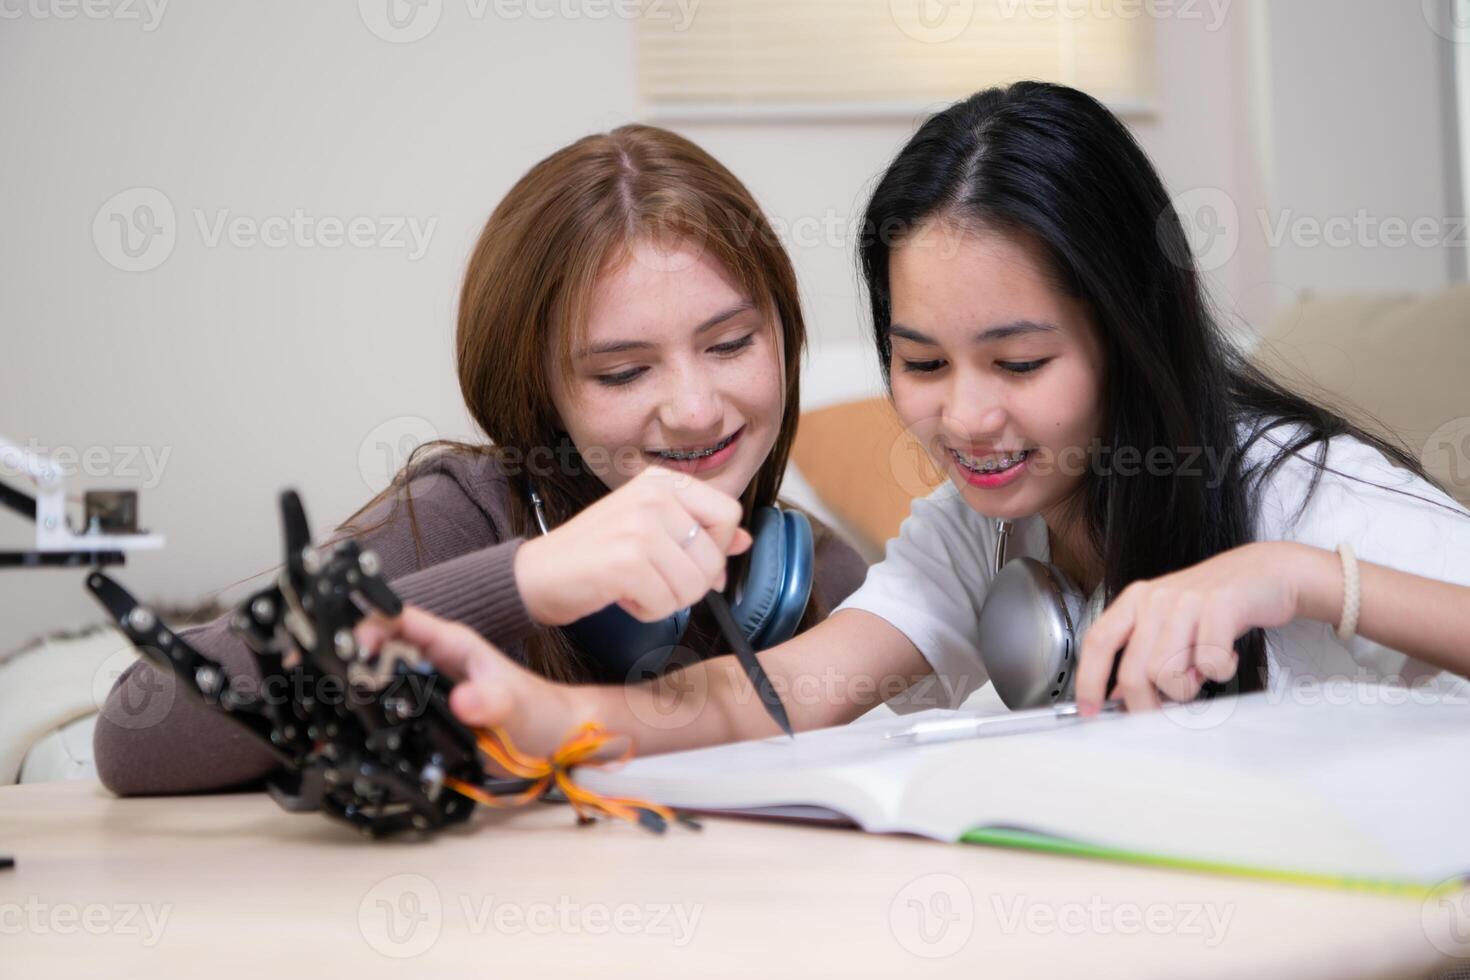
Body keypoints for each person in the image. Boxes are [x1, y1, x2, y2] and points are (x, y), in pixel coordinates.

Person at [356, 81, 1470, 760]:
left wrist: (1294, 577)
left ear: (1126, 334)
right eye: (921, 361)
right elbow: (770, 699)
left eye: (1021, 360)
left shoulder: (1289, 482)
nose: (967, 415)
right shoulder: (967, 532)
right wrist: (538, 712)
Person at [94, 125, 868, 795]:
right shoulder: (458, 516)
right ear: (542, 391)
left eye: (731, 344)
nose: (696, 408)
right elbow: (136, 732)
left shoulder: (819, 577)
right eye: (623, 372)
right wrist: (526, 579)